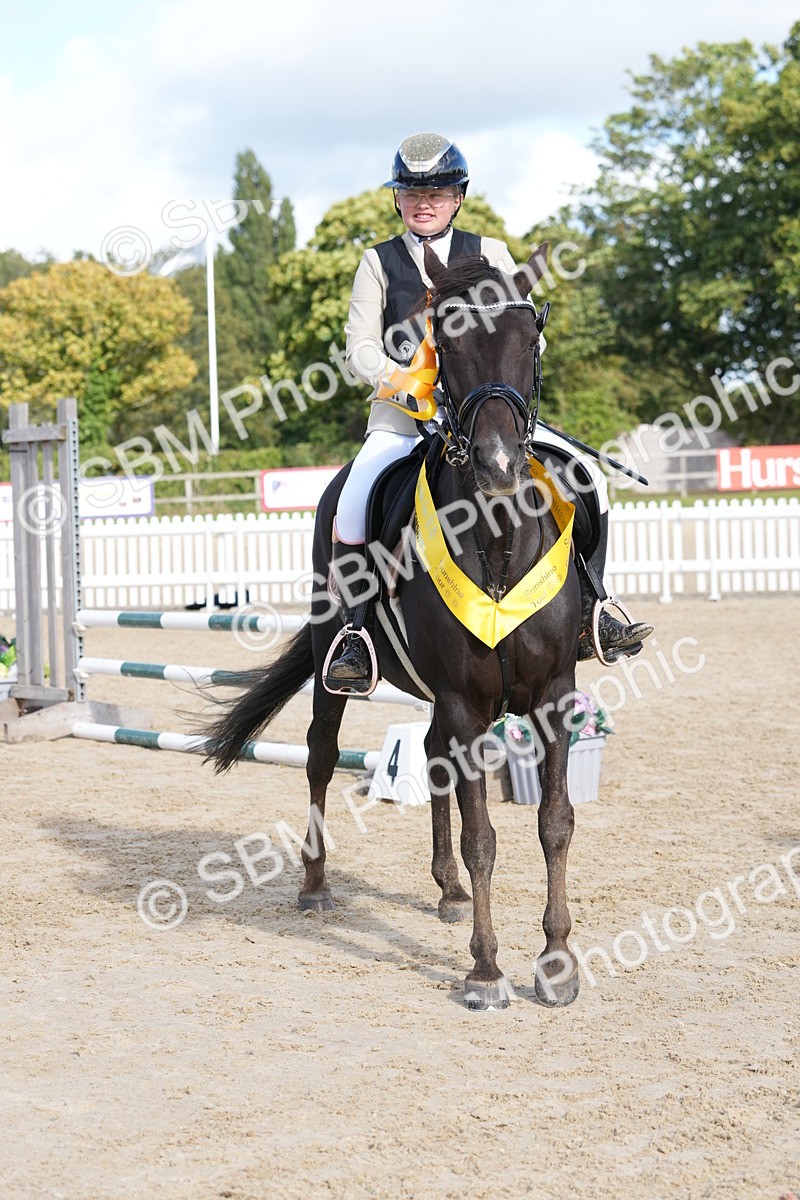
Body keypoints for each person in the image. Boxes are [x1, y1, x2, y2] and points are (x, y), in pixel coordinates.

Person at [324, 132, 652, 690]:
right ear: (397, 199)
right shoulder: (377, 263)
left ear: (458, 197)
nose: (423, 202)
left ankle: (595, 606)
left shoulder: (491, 253)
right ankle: (356, 632)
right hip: (406, 417)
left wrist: (506, 382)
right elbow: (359, 348)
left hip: (487, 413)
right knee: (355, 499)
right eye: (411, 192)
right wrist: (406, 385)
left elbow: (523, 329)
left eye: (438, 191)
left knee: (586, 474)